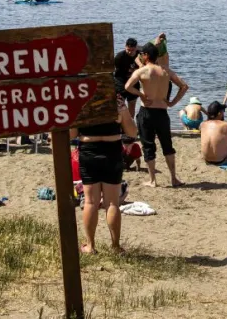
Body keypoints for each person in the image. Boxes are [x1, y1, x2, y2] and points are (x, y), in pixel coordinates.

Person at [74, 95, 138, 254]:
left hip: (89, 150)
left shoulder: (81, 98)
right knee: (112, 203)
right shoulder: (115, 100)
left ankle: (90, 246)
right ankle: (115, 246)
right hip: (112, 151)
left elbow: (71, 134)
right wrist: (122, 111)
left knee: (90, 202)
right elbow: (132, 132)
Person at [124, 42, 188, 187]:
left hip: (146, 112)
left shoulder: (142, 71)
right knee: (167, 145)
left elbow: (127, 86)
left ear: (146, 56)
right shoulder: (165, 71)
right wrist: (172, 103)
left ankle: (153, 180)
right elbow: (184, 86)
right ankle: (173, 178)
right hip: (162, 112)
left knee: (148, 145)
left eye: (142, 55)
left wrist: (141, 94)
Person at [113, 38, 140, 116]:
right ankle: (121, 124)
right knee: (120, 105)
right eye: (128, 50)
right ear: (125, 47)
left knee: (132, 104)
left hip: (134, 82)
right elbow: (115, 71)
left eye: (132, 50)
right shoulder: (119, 56)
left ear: (136, 48)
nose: (129, 52)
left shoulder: (140, 55)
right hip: (121, 82)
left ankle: (131, 123)